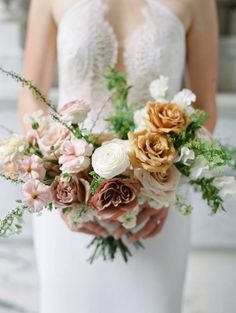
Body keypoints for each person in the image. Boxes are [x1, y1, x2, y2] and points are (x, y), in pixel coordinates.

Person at [18, 0, 218, 312]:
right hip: (68, 192)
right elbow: (31, 100)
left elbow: (205, 106)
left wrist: (164, 188)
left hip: (161, 197)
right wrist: (59, 180)